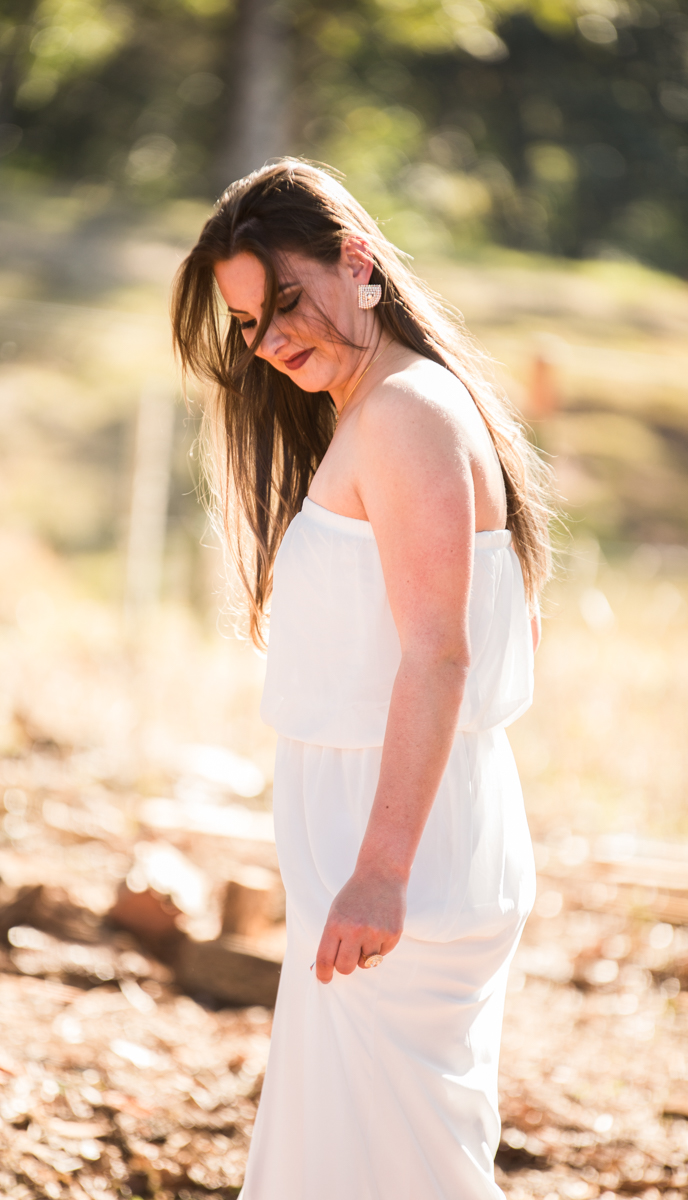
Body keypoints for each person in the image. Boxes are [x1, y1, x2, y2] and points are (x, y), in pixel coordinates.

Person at [171, 159, 552, 1200]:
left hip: (401, 862)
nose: (268, 340)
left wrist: (380, 868)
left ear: (356, 261)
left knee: (396, 1172)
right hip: (386, 849)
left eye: (282, 302)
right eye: (249, 323)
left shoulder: (407, 415)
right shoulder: (384, 408)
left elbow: (440, 654)